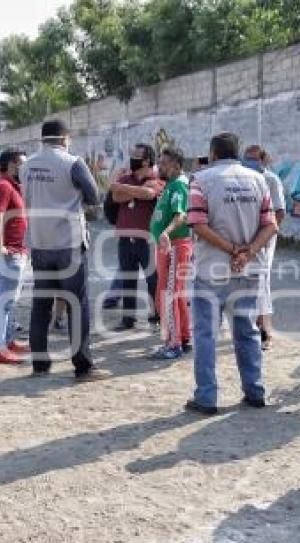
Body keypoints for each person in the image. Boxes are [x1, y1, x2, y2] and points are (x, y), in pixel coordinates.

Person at [185, 132, 278, 415]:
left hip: (210, 269)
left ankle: (206, 397)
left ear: (212, 153)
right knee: (247, 331)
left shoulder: (201, 180)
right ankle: (255, 392)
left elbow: (198, 224)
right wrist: (246, 252)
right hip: (249, 268)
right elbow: (271, 225)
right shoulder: (259, 180)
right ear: (236, 153)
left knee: (205, 335)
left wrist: (232, 249)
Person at [20, 119, 108, 380]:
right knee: (76, 303)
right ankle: (82, 365)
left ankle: (39, 363)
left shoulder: (26, 165)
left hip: (39, 241)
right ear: (64, 138)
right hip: (68, 243)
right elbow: (94, 196)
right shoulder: (72, 163)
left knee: (41, 303)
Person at [109, 144, 164, 331]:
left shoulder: (157, 179)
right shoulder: (128, 178)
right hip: (125, 238)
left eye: (135, 156)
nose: (132, 158)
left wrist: (124, 187)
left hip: (147, 239)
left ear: (147, 161)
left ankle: (156, 315)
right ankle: (128, 319)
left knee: (153, 280)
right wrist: (135, 189)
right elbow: (116, 197)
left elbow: (149, 194)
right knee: (127, 279)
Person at [0, 148, 29, 364]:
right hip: (9, 253)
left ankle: (8, 340)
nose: (24, 167)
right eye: (21, 163)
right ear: (10, 165)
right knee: (4, 301)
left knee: (10, 301)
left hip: (15, 251)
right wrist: (0, 246)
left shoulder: (12, 186)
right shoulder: (3, 186)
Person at [149, 146, 192, 360]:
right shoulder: (171, 185)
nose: (159, 166)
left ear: (175, 164)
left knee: (170, 294)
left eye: (163, 163)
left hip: (174, 245)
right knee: (172, 292)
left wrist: (165, 233)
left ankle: (173, 344)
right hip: (168, 245)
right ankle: (182, 336)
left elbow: (181, 215)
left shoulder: (179, 186)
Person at [243, 145, 286, 350]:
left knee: (262, 281)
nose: (249, 162)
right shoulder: (243, 178)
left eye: (253, 158)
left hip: (266, 237)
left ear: (262, 160)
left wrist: (267, 234)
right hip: (246, 237)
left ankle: (265, 331)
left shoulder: (271, 180)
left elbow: (279, 212)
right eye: (246, 158)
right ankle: (252, 326)